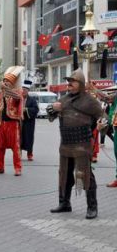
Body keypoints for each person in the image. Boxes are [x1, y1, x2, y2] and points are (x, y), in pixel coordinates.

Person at [48, 68, 106, 219]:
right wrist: (53, 108)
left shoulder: (91, 101)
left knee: (85, 175)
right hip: (66, 144)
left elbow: (103, 117)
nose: (69, 84)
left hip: (82, 144)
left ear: (80, 83)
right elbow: (50, 113)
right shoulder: (64, 99)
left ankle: (92, 207)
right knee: (65, 176)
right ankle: (64, 203)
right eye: (68, 82)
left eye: (72, 82)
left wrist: (101, 124)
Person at [0, 66, 24, 176]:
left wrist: (6, 89)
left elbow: (17, 98)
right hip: (0, 124)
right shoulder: (0, 94)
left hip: (12, 123)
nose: (5, 83)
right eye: (4, 81)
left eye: (7, 81)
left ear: (12, 83)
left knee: (15, 147)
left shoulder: (17, 91)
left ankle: (18, 168)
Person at [21, 80, 39, 161]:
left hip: (29, 123)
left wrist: (26, 109)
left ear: (28, 91)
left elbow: (36, 109)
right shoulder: (19, 99)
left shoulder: (32, 100)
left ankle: (29, 154)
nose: (23, 91)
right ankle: (18, 153)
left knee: (29, 138)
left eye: (25, 90)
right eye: (22, 90)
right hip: (20, 122)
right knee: (19, 138)